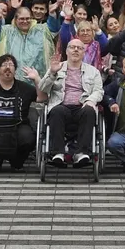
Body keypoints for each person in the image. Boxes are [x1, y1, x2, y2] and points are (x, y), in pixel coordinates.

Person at [40, 39, 105, 168]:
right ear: (67, 51)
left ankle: (81, 153)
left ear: (83, 52)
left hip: (82, 106)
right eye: (72, 47)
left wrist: (90, 100)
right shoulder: (56, 67)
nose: (75, 50)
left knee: (89, 111)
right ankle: (58, 153)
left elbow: (99, 91)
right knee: (57, 111)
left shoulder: (93, 71)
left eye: (79, 48)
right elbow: (43, 89)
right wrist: (52, 73)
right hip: (61, 106)